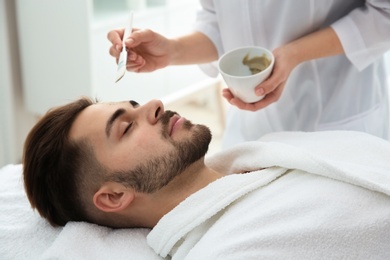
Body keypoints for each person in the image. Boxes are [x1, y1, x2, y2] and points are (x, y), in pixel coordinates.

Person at [23, 97, 390, 259]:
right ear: (115, 196)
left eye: (134, 104)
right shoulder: (232, 250)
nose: (153, 105)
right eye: (125, 127)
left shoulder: (270, 150)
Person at [107, 0, 390, 148]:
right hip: (250, 133)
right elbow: (221, 23)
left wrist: (295, 53)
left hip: (337, 120)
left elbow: (384, 13)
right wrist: (171, 50)